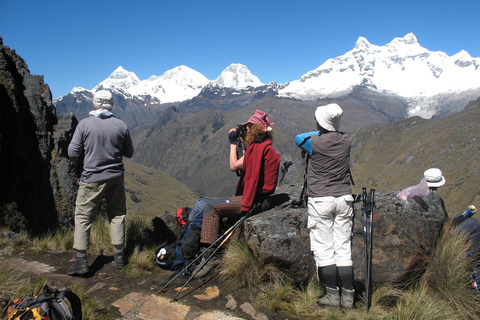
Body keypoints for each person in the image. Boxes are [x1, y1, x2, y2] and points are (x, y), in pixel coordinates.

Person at [193, 110, 281, 278]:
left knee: (211, 207)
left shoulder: (257, 149)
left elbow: (243, 171)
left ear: (253, 128)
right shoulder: (263, 147)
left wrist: (233, 145)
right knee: (218, 205)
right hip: (263, 198)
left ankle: (210, 257)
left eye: (247, 127)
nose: (245, 130)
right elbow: (244, 166)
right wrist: (242, 145)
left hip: (255, 200)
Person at [67, 90, 134, 275]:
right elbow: (129, 152)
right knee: (117, 215)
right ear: (112, 105)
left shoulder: (84, 125)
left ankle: (81, 260)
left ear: (94, 103)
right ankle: (120, 258)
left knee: (83, 217)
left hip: (92, 179)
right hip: (115, 178)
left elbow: (73, 153)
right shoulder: (121, 125)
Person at [295, 103, 355, 309]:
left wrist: (320, 130)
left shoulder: (313, 142)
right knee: (343, 246)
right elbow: (337, 133)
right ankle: (348, 296)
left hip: (321, 199)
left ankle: (331, 295)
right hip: (344, 198)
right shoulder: (346, 140)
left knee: (324, 248)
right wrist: (331, 128)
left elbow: (298, 138)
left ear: (320, 122)